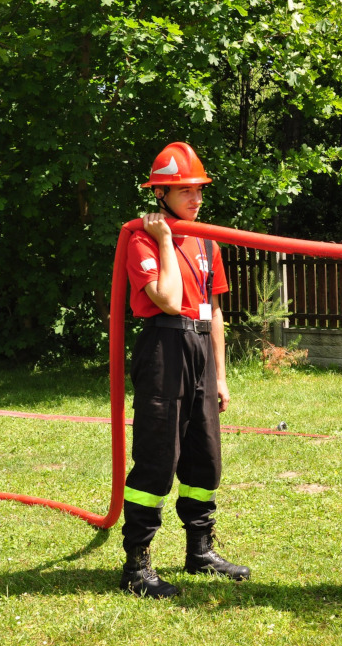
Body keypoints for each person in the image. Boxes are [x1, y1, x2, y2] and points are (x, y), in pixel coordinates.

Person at [120, 141, 250, 599]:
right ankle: (137, 564)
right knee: (158, 457)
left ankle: (200, 551)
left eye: (198, 190)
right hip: (164, 344)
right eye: (184, 191)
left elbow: (213, 311)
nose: (195, 199)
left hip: (198, 348)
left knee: (204, 456)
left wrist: (221, 374)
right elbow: (170, 300)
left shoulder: (208, 237)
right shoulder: (141, 237)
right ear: (160, 195)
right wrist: (164, 240)